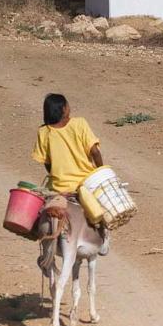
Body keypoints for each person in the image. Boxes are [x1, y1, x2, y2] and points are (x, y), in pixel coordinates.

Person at [32, 94, 109, 255]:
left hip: (58, 187)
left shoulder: (43, 132)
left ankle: (38, 235)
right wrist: (100, 172)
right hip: (85, 184)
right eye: (67, 105)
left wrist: (57, 174)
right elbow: (95, 151)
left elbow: (47, 162)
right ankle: (104, 237)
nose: (70, 108)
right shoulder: (79, 124)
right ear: (63, 109)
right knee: (105, 207)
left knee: (39, 212)